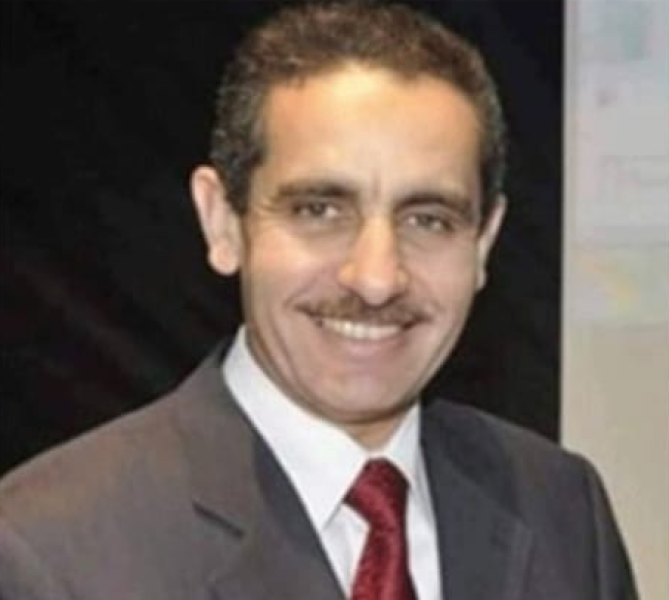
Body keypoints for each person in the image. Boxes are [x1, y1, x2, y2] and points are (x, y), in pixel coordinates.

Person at [0, 2, 637, 599]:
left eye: (428, 219)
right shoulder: (48, 551)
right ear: (222, 222)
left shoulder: (563, 509)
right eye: (320, 210)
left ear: (483, 243)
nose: (376, 279)